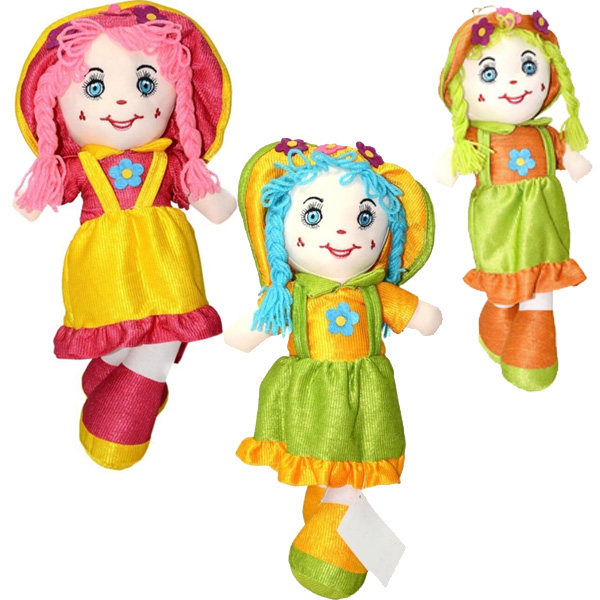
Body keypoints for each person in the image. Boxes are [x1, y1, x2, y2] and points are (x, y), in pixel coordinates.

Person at [14, 3, 234, 469]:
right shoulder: (81, 168)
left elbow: (214, 205)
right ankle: (114, 366)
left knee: (168, 326)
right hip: (106, 265)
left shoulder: (170, 163)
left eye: (146, 85)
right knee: (124, 327)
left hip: (168, 264)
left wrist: (214, 196)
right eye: (94, 88)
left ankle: (124, 398)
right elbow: (36, 198)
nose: (122, 103)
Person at [226, 140, 442, 598]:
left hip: (365, 400)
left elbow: (426, 318)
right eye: (313, 216)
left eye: (365, 220)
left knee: (349, 465)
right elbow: (243, 335)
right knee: (328, 463)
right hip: (309, 399)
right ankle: (332, 520)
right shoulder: (293, 295)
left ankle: (333, 524)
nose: (343, 232)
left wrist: (423, 315)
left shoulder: (376, 292)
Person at [435, 8, 591, 391]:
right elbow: (447, 170)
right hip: (499, 232)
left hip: (545, 232)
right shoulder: (479, 139)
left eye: (529, 67)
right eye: (489, 74)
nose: (515, 82)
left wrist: (575, 162)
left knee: (541, 291)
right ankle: (498, 314)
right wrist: (450, 165)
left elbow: (572, 159)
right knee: (505, 293)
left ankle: (534, 356)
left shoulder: (546, 135)